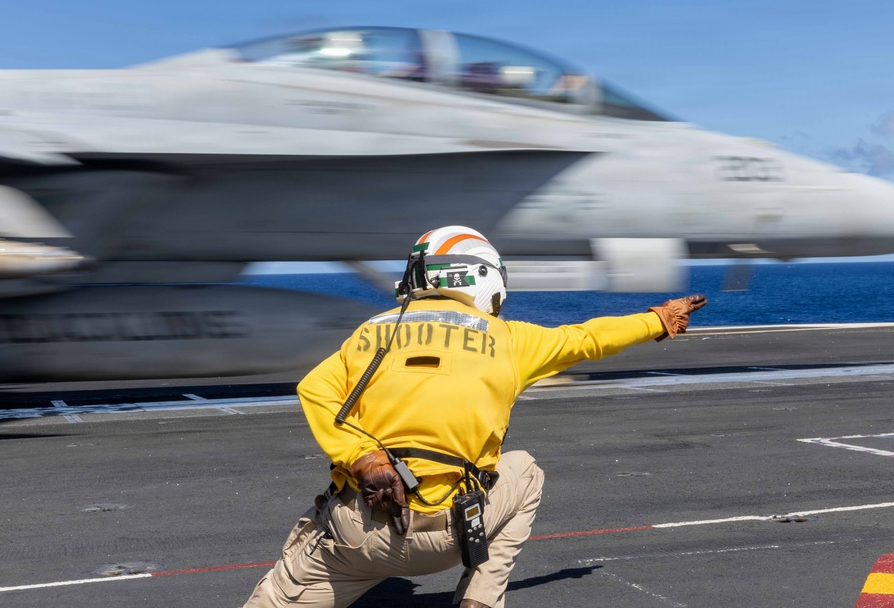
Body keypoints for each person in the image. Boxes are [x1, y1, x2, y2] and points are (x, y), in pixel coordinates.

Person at [243, 226, 707, 608]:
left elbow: (315, 389)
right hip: (453, 533)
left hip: (362, 534)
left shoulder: (370, 332)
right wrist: (659, 320)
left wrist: (363, 457)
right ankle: (479, 601)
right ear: (482, 278)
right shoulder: (509, 338)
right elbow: (586, 338)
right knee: (524, 471)